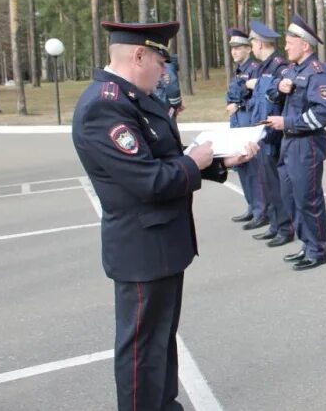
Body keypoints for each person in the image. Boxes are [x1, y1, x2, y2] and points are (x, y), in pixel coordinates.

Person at [72, 21, 256, 411]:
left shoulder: (134, 98)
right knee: (141, 347)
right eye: (160, 60)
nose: (164, 71)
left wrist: (220, 159)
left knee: (160, 336)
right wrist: (195, 160)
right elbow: (148, 180)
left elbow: (163, 157)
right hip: (142, 248)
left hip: (161, 243)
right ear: (138, 55)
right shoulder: (105, 106)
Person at [266, 14, 326, 270]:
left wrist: (289, 123)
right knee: (290, 197)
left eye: (289, 42)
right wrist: (278, 87)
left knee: (308, 199)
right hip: (288, 143)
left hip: (307, 144)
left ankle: (318, 250)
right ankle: (307, 244)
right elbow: (270, 91)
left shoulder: (318, 72)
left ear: (304, 45)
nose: (285, 47)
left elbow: (324, 113)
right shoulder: (291, 70)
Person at [246, 20, 295, 247]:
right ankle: (275, 225)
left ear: (259, 43)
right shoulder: (260, 67)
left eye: (252, 41)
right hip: (261, 132)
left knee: (277, 185)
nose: (251, 46)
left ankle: (285, 228)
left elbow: (285, 88)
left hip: (273, 134)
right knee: (267, 183)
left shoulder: (278, 65)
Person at [226, 29, 269, 229]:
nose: (234, 52)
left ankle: (262, 211)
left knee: (254, 169)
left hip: (249, 122)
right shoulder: (240, 70)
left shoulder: (255, 68)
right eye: (232, 48)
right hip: (237, 122)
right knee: (243, 167)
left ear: (248, 48)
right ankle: (252, 206)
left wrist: (239, 105)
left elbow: (258, 98)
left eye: (238, 48)